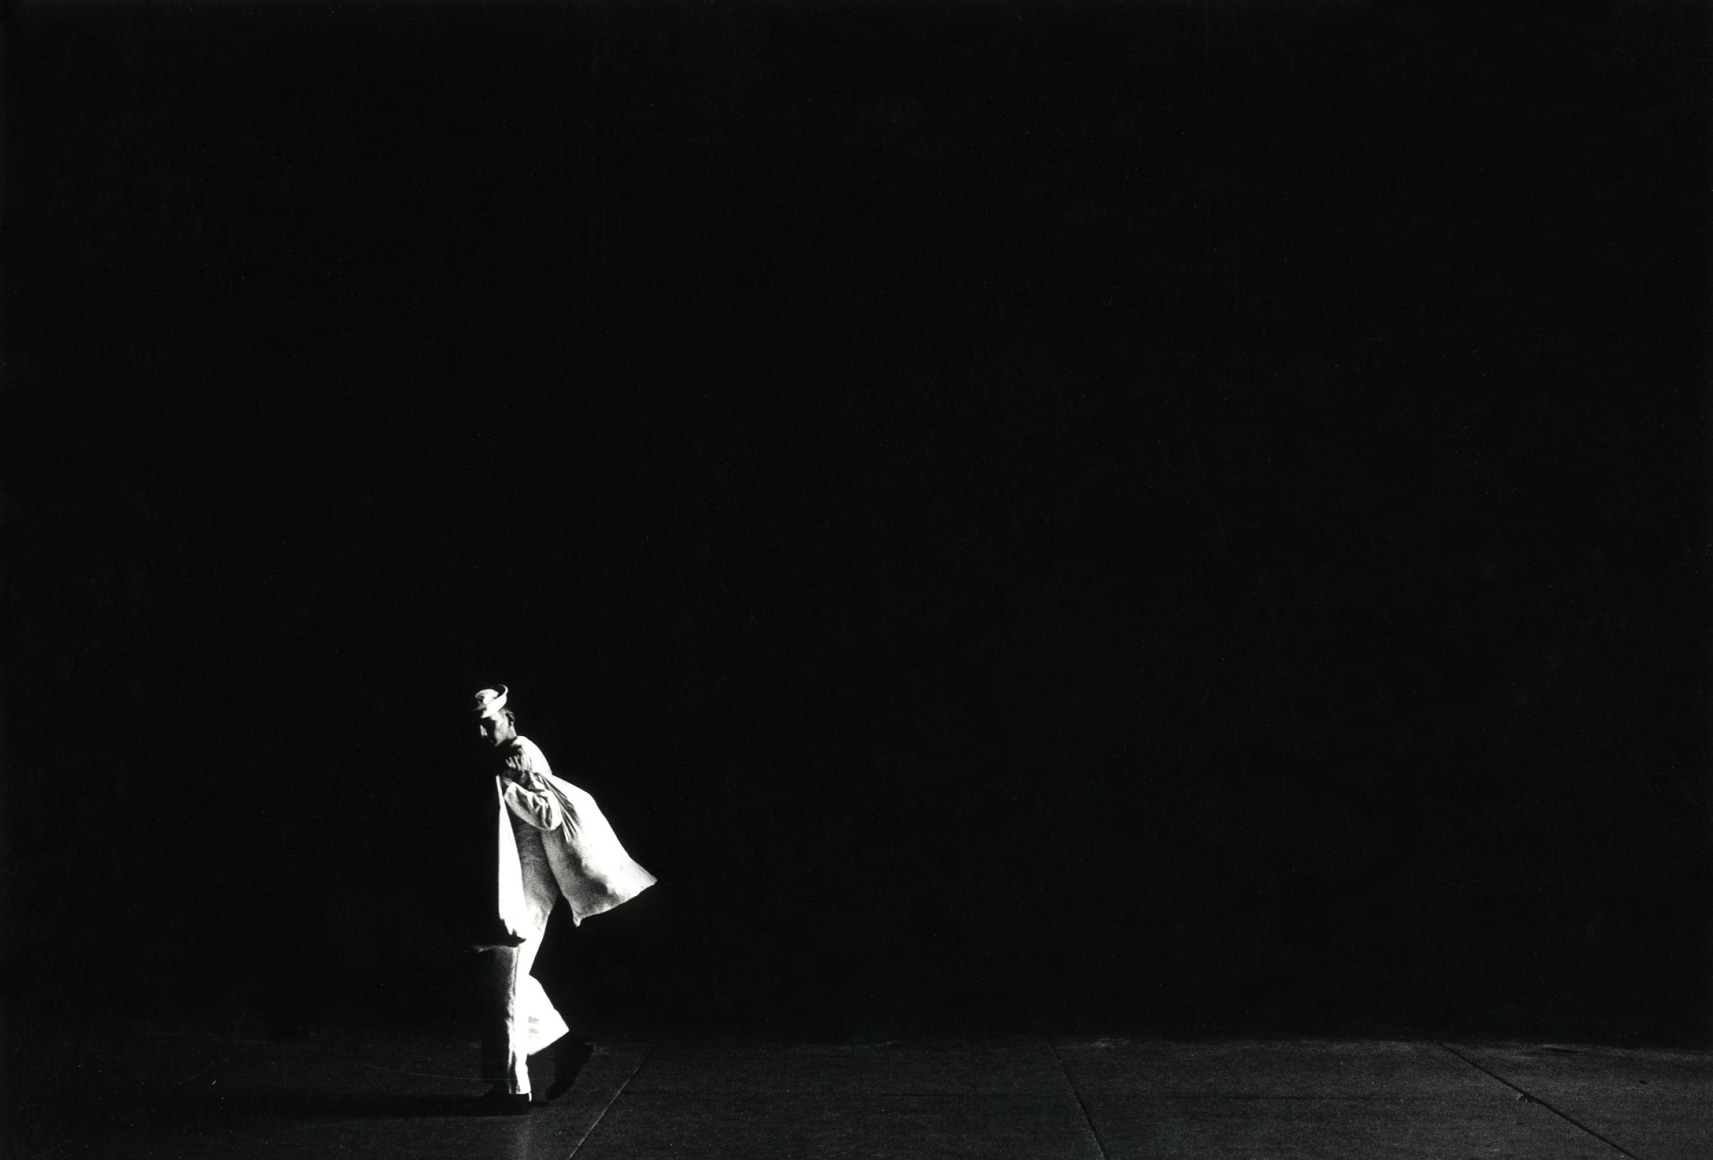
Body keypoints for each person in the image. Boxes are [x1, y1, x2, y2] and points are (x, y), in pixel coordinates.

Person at [468, 685, 656, 1113]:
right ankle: (560, 1046)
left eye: (488, 723)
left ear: (509, 719)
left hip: (529, 878)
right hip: (513, 874)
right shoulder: (504, 753)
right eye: (476, 726)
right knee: (502, 978)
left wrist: (504, 786)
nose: (482, 733)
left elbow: (549, 815)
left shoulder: (521, 753)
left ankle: (513, 1090)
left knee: (507, 979)